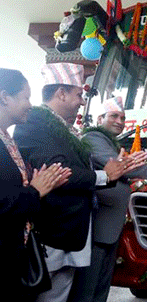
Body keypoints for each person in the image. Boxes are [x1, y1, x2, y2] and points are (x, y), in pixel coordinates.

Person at [13, 63, 136, 302]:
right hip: (53, 231)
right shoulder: (35, 123)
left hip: (71, 232)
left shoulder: (65, 128)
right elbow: (60, 170)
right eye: (79, 94)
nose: (82, 102)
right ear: (61, 93)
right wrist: (105, 176)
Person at [68, 96, 147, 302]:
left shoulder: (109, 141)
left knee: (101, 285)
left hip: (109, 226)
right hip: (98, 225)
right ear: (99, 118)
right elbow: (117, 166)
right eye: (114, 116)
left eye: (123, 118)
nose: (120, 121)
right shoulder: (93, 138)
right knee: (88, 287)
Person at [0, 68, 71, 300]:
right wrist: (35, 191)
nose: (31, 104)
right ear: (4, 97)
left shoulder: (7, 140)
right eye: (26, 97)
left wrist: (40, 183)